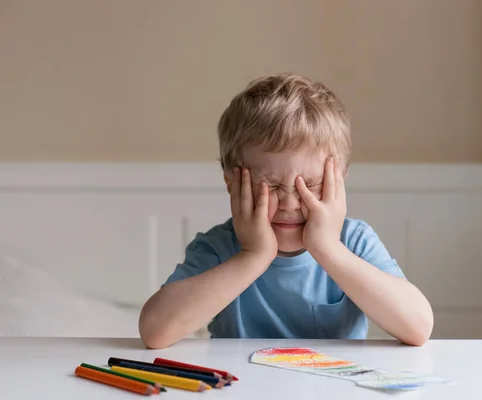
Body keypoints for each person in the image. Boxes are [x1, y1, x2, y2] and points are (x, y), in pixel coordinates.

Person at [138, 73, 433, 349]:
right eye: (271, 185)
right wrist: (253, 256)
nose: (291, 203)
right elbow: (155, 331)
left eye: (311, 185)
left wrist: (328, 249)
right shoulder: (220, 247)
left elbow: (418, 327)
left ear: (339, 179)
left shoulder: (354, 241)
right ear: (232, 183)